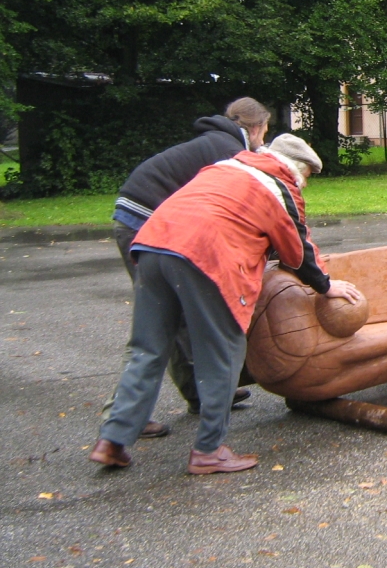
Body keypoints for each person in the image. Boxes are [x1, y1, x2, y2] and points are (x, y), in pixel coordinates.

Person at [90, 134, 361, 474]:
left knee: (148, 347)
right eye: (307, 178)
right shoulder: (280, 187)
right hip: (204, 257)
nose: (305, 185)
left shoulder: (225, 167)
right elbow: (297, 249)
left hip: (152, 246)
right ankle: (208, 450)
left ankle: (113, 439)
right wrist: (326, 285)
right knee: (222, 351)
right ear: (299, 169)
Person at [104, 97, 271, 438]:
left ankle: (197, 395)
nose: (265, 137)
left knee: (171, 317)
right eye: (266, 129)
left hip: (138, 218)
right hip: (147, 224)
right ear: (255, 128)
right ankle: (119, 417)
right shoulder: (230, 152)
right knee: (155, 324)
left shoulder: (217, 141)